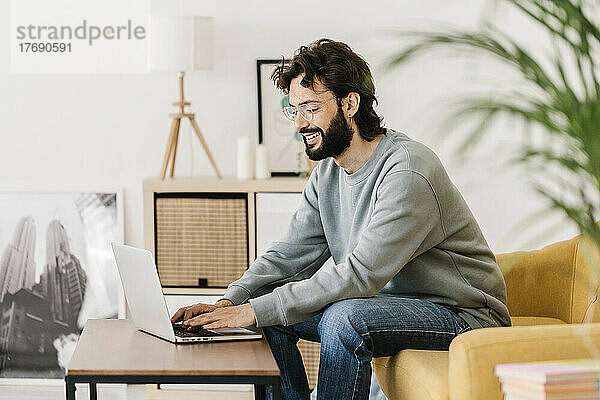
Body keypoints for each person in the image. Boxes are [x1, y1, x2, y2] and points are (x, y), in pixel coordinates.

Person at [171, 38, 511, 400]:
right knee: (267, 312)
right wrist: (233, 302)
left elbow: (360, 275)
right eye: (295, 110)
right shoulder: (327, 175)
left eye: (312, 108)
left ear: (350, 104)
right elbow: (288, 256)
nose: (300, 122)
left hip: (462, 316)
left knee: (342, 319)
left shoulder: (407, 171)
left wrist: (253, 310)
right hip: (386, 306)